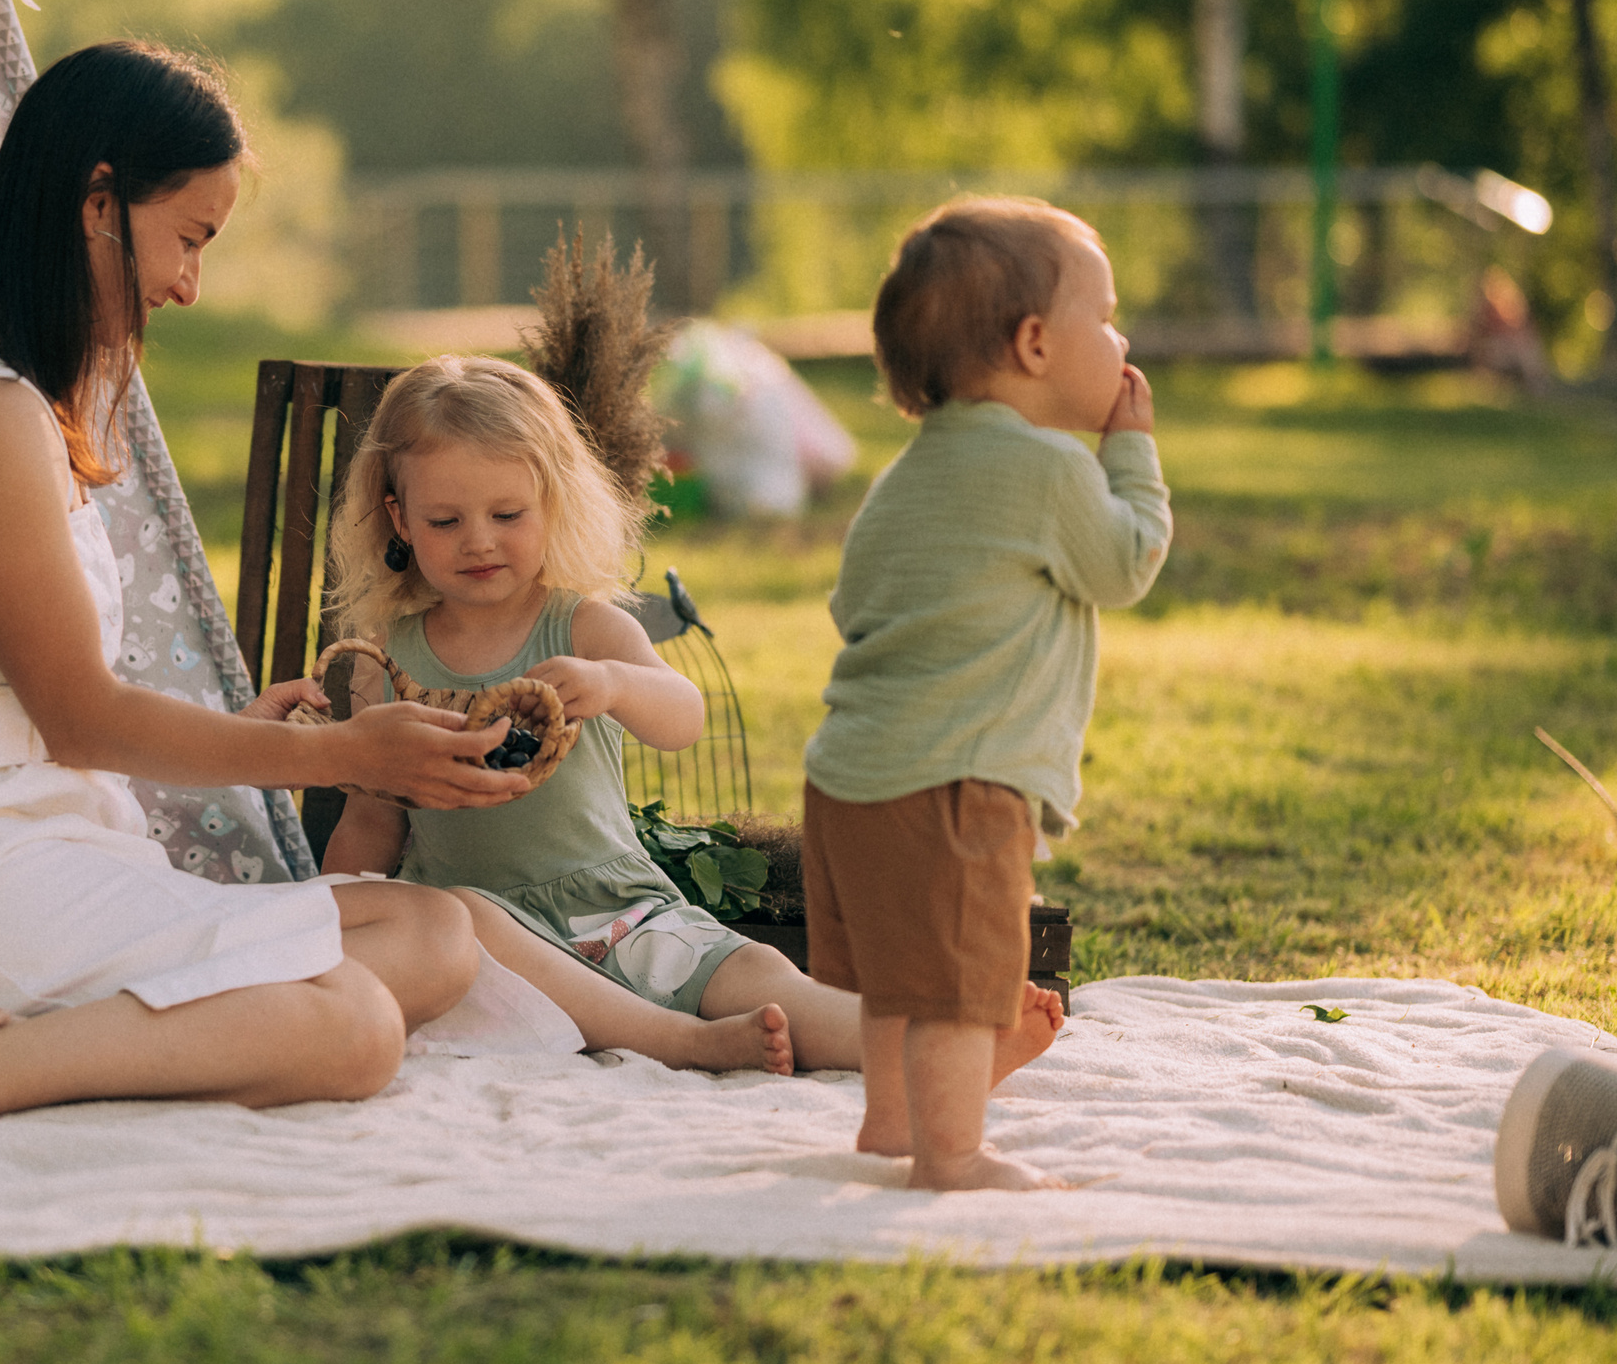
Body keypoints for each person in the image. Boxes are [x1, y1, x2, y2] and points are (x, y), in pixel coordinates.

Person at [0, 42, 531, 1147]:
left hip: (45, 842)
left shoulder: (17, 400)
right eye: (187, 237)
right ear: (99, 202)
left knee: (431, 933)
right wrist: (350, 754)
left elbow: (39, 715)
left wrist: (243, 735)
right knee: (356, 1031)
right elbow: (80, 717)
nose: (190, 282)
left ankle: (61, 1035)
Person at [316, 356, 1066, 1080]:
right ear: (399, 519)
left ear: (552, 501)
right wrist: (329, 916)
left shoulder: (583, 629)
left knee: (762, 974)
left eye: (507, 513)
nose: (478, 539)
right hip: (488, 946)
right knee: (466, 910)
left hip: (614, 912)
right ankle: (682, 1043)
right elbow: (372, 821)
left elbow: (684, 717)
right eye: (445, 520)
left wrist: (613, 683)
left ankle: (941, 1052)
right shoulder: (387, 665)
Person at [803, 197, 1171, 1192]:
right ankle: (951, 1151)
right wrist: (1130, 450)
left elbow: (853, 603)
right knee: (962, 990)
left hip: (846, 777)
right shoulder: (1052, 467)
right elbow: (1126, 561)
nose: (1121, 338)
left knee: (895, 977)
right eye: (1105, 316)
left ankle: (890, 1122)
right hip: (958, 780)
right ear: (1036, 342)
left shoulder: (902, 478)